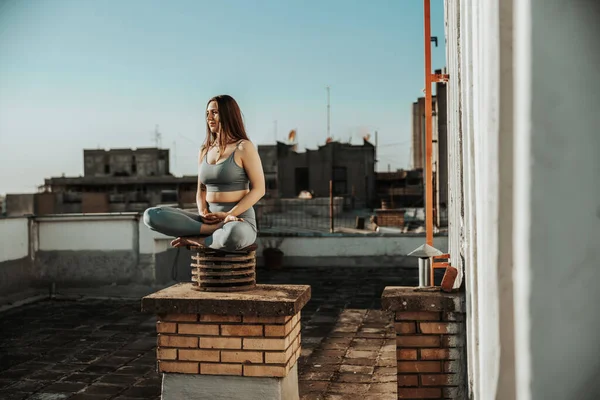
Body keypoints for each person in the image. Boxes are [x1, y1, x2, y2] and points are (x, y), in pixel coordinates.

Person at [143, 95, 265, 251]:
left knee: (233, 235)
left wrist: (228, 215)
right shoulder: (204, 150)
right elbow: (201, 189)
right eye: (207, 113)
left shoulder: (243, 147)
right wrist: (203, 212)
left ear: (228, 114)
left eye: (214, 112)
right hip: (207, 221)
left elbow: (259, 189)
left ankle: (200, 240)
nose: (209, 118)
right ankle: (209, 232)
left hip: (238, 220)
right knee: (151, 216)